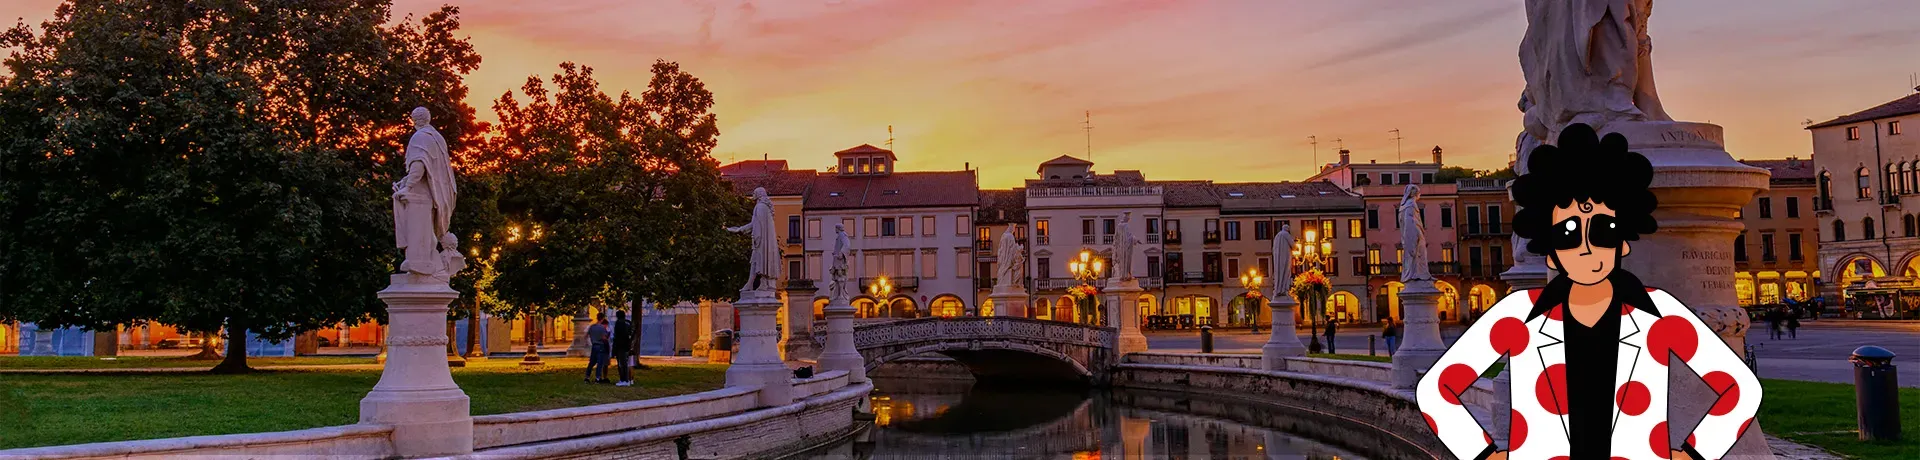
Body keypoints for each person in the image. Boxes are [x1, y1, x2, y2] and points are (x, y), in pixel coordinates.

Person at [1416, 124, 1761, 460]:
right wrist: (1487, 454)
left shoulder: (1657, 314)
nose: (1586, 247)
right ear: (1550, 250)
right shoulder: (1519, 316)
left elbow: (1739, 389)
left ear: (1623, 242)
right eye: (1568, 234)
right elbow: (1437, 390)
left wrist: (1693, 453)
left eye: (1603, 230)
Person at [585, 316, 611, 384]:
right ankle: (598, 378)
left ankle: (587, 377)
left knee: (591, 363)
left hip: (594, 345)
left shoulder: (592, 327)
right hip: (601, 346)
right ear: (602, 319)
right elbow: (604, 338)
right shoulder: (602, 328)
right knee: (600, 363)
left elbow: (587, 335)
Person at [612, 310, 635, 386]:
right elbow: (633, 333)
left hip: (620, 346)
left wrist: (614, 348)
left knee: (622, 364)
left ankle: (624, 380)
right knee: (626, 363)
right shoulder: (628, 322)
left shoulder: (618, 323)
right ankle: (628, 379)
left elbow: (617, 336)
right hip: (627, 345)